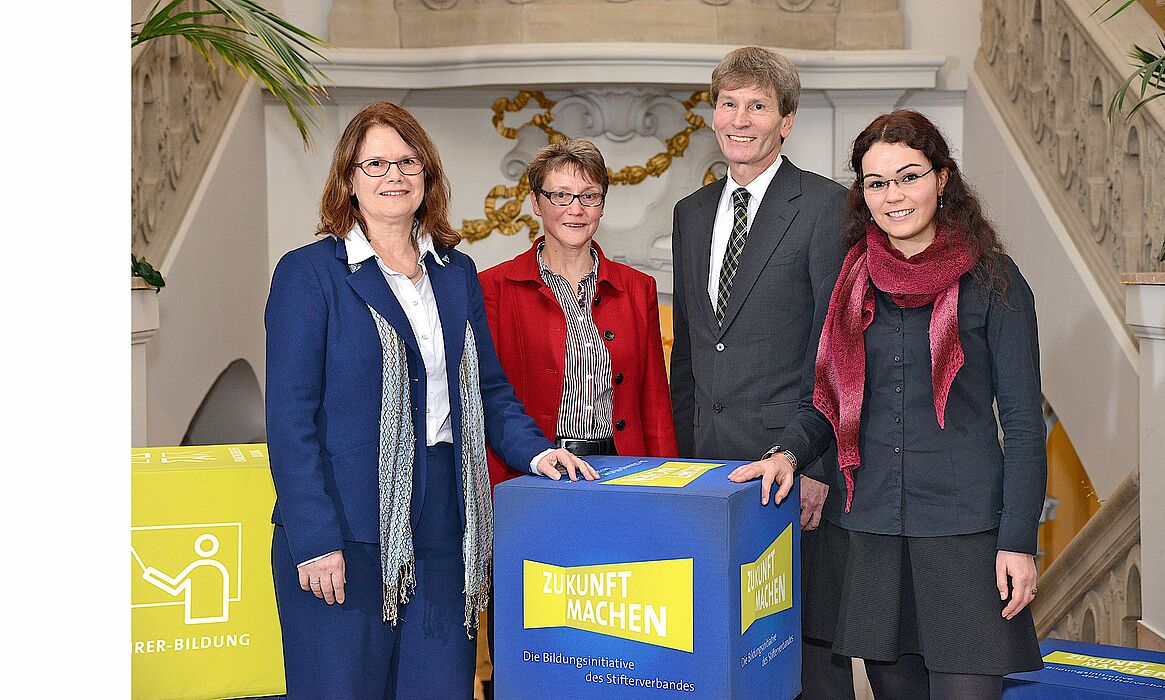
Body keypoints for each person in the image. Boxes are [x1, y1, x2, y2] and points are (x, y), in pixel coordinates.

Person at [264, 101, 597, 699]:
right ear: (347, 180)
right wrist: (315, 541)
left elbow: (490, 391)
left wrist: (539, 454)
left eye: (407, 160)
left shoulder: (455, 271)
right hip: (346, 533)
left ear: (427, 174)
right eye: (376, 164)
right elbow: (290, 423)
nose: (394, 175)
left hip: (446, 528)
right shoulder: (309, 273)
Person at [729, 110, 1047, 700]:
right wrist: (786, 455)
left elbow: (1026, 426)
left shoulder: (996, 281)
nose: (894, 196)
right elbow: (825, 402)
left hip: (966, 539)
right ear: (862, 194)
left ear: (942, 178)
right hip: (872, 538)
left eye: (908, 176)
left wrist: (1018, 540)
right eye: (877, 183)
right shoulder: (850, 279)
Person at [668, 46, 855, 698]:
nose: (739, 119)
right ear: (711, 113)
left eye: (757, 105)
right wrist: (681, 462)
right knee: (718, 653)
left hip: (792, 472)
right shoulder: (690, 214)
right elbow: (688, 353)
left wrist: (817, 466)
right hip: (708, 476)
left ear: (786, 120)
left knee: (803, 659)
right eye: (728, 103)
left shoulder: (828, 208)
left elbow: (837, 350)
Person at [480, 137, 678, 480]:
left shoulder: (637, 288)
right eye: (560, 195)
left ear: (601, 205)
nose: (576, 209)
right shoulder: (493, 287)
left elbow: (655, 404)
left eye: (589, 196)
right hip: (532, 473)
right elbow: (487, 398)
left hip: (624, 471)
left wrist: (670, 483)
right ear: (536, 202)